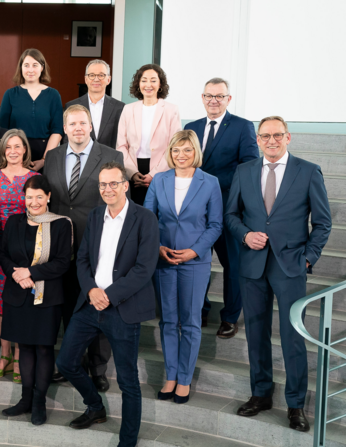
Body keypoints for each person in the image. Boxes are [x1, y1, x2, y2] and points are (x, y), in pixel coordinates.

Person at [226, 116, 331, 432]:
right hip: (252, 265)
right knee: (256, 334)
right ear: (257, 140)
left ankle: (296, 404)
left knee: (292, 338)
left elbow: (323, 223)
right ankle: (260, 394)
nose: (271, 140)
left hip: (291, 266)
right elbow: (230, 215)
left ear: (288, 137)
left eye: (277, 135)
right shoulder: (244, 171)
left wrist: (308, 259)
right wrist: (245, 235)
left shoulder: (308, 171)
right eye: (264, 136)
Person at [56, 162, 159, 447]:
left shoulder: (145, 218)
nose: (107, 189)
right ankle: (96, 406)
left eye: (114, 183)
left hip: (121, 308)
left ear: (125, 185)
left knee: (128, 381)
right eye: (102, 185)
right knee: (66, 362)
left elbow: (144, 269)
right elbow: (84, 258)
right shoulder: (96, 216)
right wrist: (91, 290)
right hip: (89, 304)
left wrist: (109, 295)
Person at [43, 104, 125, 391]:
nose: (78, 128)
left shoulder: (112, 156)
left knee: (98, 306)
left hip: (98, 244)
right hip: (61, 247)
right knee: (68, 308)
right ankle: (70, 361)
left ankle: (98, 367)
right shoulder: (52, 156)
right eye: (72, 124)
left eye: (83, 123)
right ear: (64, 128)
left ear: (91, 126)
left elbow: (115, 199)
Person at [143, 130, 223, 404]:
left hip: (195, 262)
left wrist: (194, 251)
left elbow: (215, 225)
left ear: (195, 152)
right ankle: (171, 375)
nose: (181, 155)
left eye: (187, 150)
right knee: (167, 320)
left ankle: (185, 380)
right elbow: (148, 219)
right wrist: (157, 248)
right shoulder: (160, 181)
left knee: (190, 322)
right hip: (164, 261)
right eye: (176, 150)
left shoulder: (210, 182)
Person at [185, 78, 259, 336]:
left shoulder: (242, 126)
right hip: (196, 210)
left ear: (228, 99)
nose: (213, 100)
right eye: (209, 96)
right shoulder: (191, 127)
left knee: (233, 264)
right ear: (202, 98)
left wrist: (211, 182)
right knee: (197, 261)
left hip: (229, 207)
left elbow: (250, 167)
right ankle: (200, 310)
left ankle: (230, 317)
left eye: (219, 96)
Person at [0, 176, 72, 425]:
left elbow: (62, 262)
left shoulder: (62, 224)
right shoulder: (14, 222)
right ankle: (25, 400)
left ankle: (40, 402)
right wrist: (16, 274)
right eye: (29, 197)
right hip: (17, 294)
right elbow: (3, 254)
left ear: (49, 197)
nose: (34, 202)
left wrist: (30, 272)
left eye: (39, 196)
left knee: (43, 348)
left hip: (47, 298)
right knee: (25, 347)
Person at [0, 129, 39, 383]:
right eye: (9, 147)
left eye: (18, 146)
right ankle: (4, 356)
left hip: (26, 249)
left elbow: (39, 212)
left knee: (22, 302)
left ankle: (19, 356)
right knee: (0, 303)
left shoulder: (35, 177)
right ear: (3, 150)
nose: (13, 151)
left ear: (25, 149)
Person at [116, 64, 182, 205]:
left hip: (162, 169)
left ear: (160, 84)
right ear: (138, 84)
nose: (148, 84)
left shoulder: (171, 110)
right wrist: (132, 173)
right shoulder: (128, 109)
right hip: (132, 170)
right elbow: (121, 145)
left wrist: (154, 174)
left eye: (153, 80)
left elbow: (174, 147)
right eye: (144, 80)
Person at [0, 48, 63, 170]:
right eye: (26, 65)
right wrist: (14, 156)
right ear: (21, 68)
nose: (30, 70)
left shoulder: (53, 95)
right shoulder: (10, 94)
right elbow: (3, 131)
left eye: (35, 65)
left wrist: (44, 160)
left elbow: (57, 130)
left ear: (42, 67)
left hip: (45, 154)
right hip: (15, 155)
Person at [64, 59, 125, 148]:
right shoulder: (71, 106)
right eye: (91, 75)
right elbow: (66, 139)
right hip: (80, 159)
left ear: (108, 79)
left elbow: (122, 141)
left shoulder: (120, 107)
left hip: (110, 160)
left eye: (101, 75)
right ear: (86, 79)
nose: (96, 79)